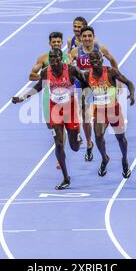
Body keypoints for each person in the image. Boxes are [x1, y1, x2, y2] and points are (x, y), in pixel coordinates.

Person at [13, 48, 87, 190]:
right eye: (51, 58)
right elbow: (39, 86)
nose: (53, 60)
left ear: (62, 59)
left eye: (56, 58)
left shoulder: (71, 70)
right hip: (55, 109)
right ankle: (66, 178)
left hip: (70, 108)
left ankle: (77, 137)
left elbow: (85, 83)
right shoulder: (45, 72)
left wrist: (85, 98)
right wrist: (22, 97)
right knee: (58, 144)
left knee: (75, 147)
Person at [69, 26, 119, 162]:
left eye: (89, 36)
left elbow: (113, 61)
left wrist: (116, 82)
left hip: (98, 84)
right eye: (84, 36)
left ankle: (99, 132)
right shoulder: (75, 51)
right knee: (84, 115)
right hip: (83, 85)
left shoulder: (100, 49)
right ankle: (89, 144)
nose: (87, 39)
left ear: (93, 36)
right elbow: (67, 66)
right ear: (80, 38)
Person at [84, 51, 135, 178]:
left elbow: (129, 83)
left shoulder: (111, 72)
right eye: (92, 60)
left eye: (98, 59)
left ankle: (124, 160)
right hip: (99, 110)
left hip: (114, 110)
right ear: (89, 62)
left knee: (120, 138)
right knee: (98, 135)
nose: (95, 62)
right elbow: (84, 91)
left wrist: (132, 94)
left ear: (102, 60)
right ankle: (105, 158)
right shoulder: (86, 75)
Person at [28, 32, 72, 169]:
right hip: (49, 97)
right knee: (52, 126)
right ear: (50, 44)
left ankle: (61, 153)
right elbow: (31, 75)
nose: (56, 44)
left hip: (66, 97)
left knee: (63, 127)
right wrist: (46, 79)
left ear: (62, 42)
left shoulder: (68, 57)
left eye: (59, 42)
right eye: (54, 42)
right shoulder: (44, 58)